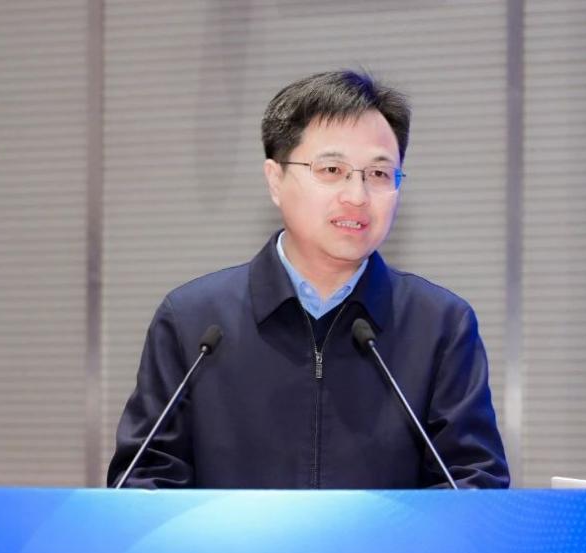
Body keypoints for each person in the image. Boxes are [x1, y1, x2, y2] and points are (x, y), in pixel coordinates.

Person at [107, 69, 509, 490]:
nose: (357, 196)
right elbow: (145, 484)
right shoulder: (193, 324)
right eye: (332, 169)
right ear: (275, 180)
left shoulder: (440, 325)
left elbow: (474, 486)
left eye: (378, 174)